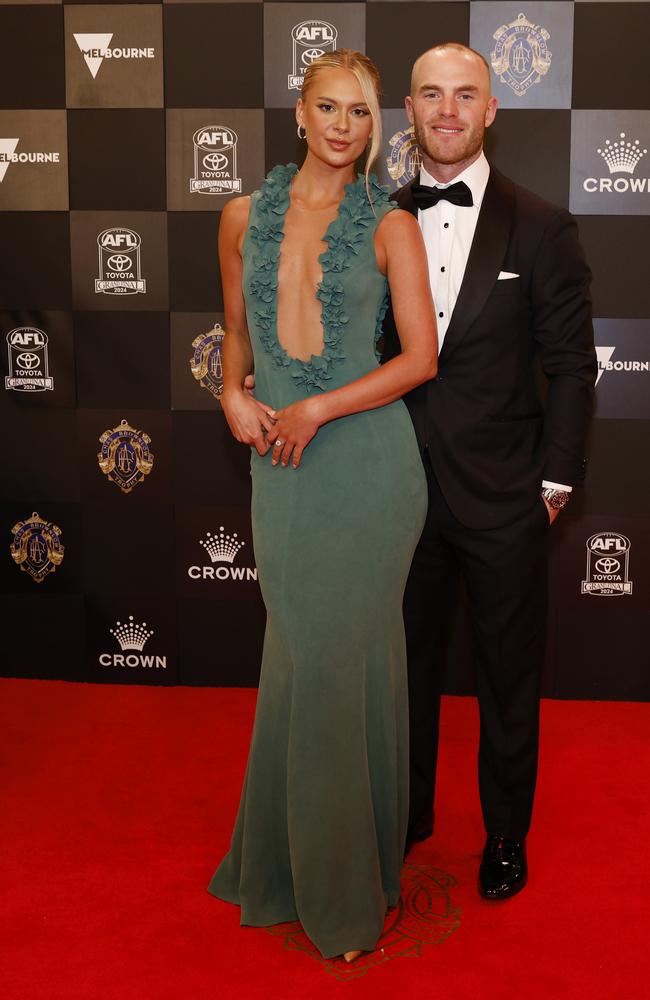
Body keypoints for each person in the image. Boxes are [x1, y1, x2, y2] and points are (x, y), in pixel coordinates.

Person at [208, 50, 438, 960]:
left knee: (344, 668)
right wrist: (232, 392)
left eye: (361, 113)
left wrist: (320, 404)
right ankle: (277, 866)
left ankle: (345, 893)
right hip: (283, 471)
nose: (345, 126)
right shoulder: (238, 218)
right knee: (300, 664)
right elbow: (233, 338)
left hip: (368, 468)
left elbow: (419, 358)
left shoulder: (390, 225)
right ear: (299, 113)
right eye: (329, 108)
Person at [382, 43, 596, 899]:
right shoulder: (381, 216)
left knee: (509, 679)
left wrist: (554, 483)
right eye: (431, 94)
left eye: (464, 95)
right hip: (396, 491)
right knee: (404, 673)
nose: (446, 110)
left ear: (491, 109)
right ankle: (403, 816)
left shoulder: (542, 225)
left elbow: (572, 366)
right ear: (409, 108)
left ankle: (505, 835)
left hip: (507, 498)